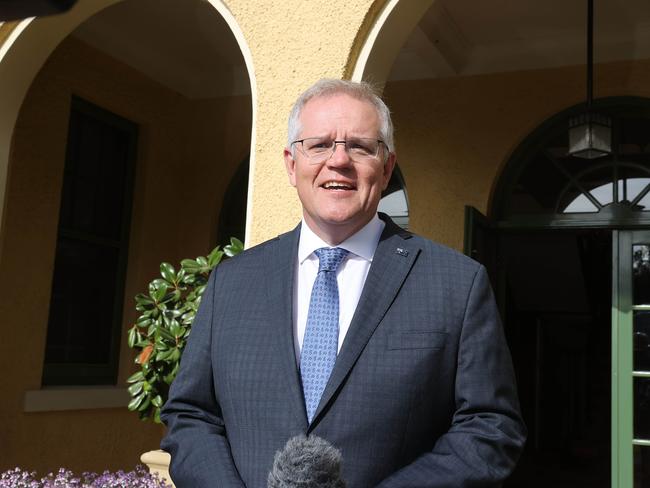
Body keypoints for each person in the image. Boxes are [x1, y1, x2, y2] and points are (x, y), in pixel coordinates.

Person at [161, 79, 526, 487]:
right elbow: (191, 414)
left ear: (386, 168)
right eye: (318, 145)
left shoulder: (456, 283)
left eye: (360, 146)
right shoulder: (232, 281)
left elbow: (490, 428)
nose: (338, 161)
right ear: (290, 163)